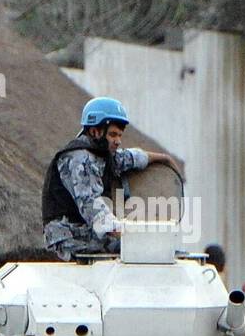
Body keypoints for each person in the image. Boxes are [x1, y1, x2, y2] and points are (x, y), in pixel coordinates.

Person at [42, 97, 178, 260]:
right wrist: (132, 234)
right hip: (68, 236)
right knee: (137, 251)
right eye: (113, 134)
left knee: (152, 251)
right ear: (95, 131)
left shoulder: (101, 155)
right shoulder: (78, 159)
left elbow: (128, 158)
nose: (118, 141)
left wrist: (164, 158)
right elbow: (92, 207)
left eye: (120, 135)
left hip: (85, 231)